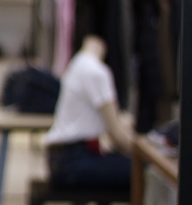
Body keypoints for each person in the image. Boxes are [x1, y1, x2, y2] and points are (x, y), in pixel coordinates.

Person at [44, 34, 135, 190]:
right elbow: (117, 136)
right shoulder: (96, 72)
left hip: (61, 158)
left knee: (123, 164)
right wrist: (149, 153)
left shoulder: (78, 62)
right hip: (75, 162)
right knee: (145, 173)